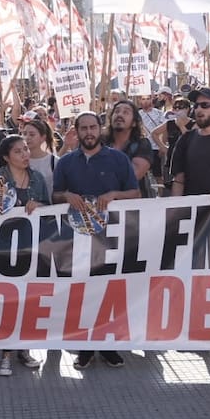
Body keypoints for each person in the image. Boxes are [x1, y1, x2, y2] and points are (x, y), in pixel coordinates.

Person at [52, 112, 139, 370]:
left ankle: (109, 346)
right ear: (76, 131)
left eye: (93, 127)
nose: (89, 132)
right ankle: (86, 347)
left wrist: (114, 195)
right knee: (83, 292)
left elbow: (135, 193)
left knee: (109, 290)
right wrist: (67, 195)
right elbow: (55, 196)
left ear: (101, 129)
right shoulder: (66, 162)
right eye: (83, 128)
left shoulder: (118, 159)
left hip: (112, 237)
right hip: (76, 239)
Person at [0, 134, 48, 377]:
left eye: (26, 149)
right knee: (7, 303)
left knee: (27, 303)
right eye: (18, 151)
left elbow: (49, 208)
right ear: (6, 157)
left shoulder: (37, 178)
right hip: (3, 251)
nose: (25, 154)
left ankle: (24, 349)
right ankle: (5, 355)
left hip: (31, 250)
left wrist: (41, 206)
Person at [105, 100, 155, 198]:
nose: (119, 114)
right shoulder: (101, 143)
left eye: (126, 112)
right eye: (116, 111)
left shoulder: (142, 144)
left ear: (134, 123)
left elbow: (133, 175)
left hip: (133, 208)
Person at [21, 117, 58, 198]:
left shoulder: (54, 161)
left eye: (32, 134)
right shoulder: (18, 160)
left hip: (50, 208)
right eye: (24, 134)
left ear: (43, 137)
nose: (27, 137)